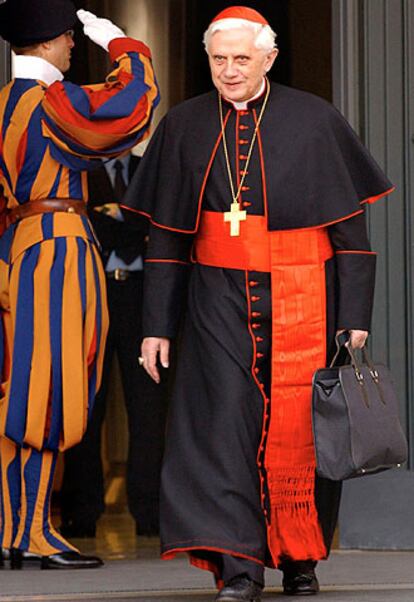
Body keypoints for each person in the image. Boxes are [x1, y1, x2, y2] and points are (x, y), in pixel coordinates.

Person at [123, 6, 393, 601]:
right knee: (221, 432)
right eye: (219, 60)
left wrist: (354, 319)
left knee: (306, 429)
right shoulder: (186, 125)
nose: (229, 71)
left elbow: (352, 237)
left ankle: (299, 558)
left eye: (241, 59)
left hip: (305, 295)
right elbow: (167, 240)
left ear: (268, 59)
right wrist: (155, 327)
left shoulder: (314, 120)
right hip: (215, 300)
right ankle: (239, 568)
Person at [0, 0, 159, 570]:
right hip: (58, 246)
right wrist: (123, 45)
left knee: (18, 388)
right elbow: (131, 106)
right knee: (51, 390)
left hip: (17, 249)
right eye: (68, 39)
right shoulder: (49, 102)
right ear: (46, 44)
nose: (73, 47)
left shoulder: (3, 105)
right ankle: (35, 532)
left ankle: (17, 530)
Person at [60, 154, 168, 539]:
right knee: (88, 405)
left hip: (143, 301)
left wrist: (114, 219)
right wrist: (131, 227)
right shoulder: (79, 174)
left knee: (148, 410)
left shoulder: (149, 167)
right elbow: (81, 224)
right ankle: (81, 511)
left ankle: (150, 511)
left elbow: (162, 223)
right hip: (92, 296)